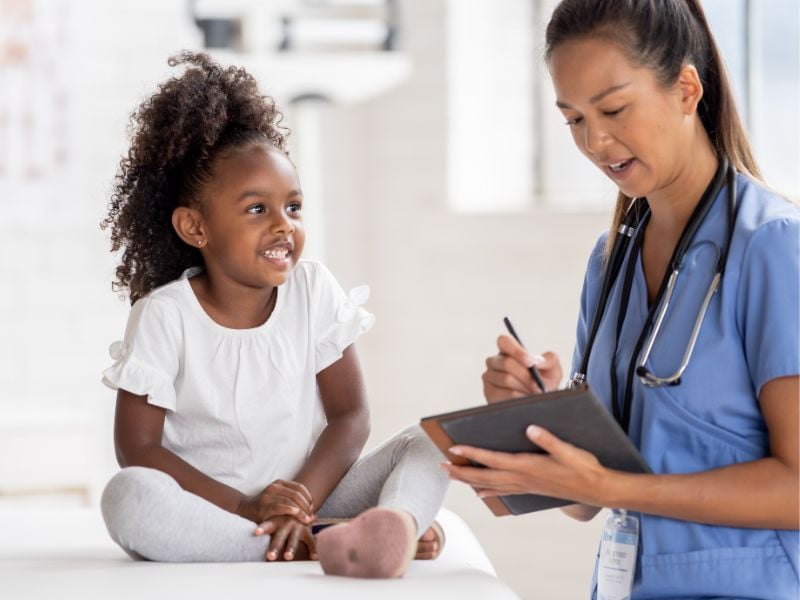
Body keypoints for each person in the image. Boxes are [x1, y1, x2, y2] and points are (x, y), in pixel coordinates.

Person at [443, 0, 799, 598]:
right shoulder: (612, 261)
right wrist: (540, 418)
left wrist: (614, 490)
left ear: (687, 89)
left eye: (613, 109)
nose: (596, 141)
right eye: (574, 119)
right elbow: (584, 504)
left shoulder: (772, 247)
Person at [99, 51, 447, 579]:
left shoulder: (314, 291)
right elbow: (137, 448)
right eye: (258, 209)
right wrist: (247, 507)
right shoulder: (166, 316)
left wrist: (302, 498)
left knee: (428, 440)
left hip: (319, 494)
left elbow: (352, 416)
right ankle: (314, 545)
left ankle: (393, 522)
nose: (284, 225)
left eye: (294, 206)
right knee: (127, 498)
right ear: (196, 228)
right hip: (218, 511)